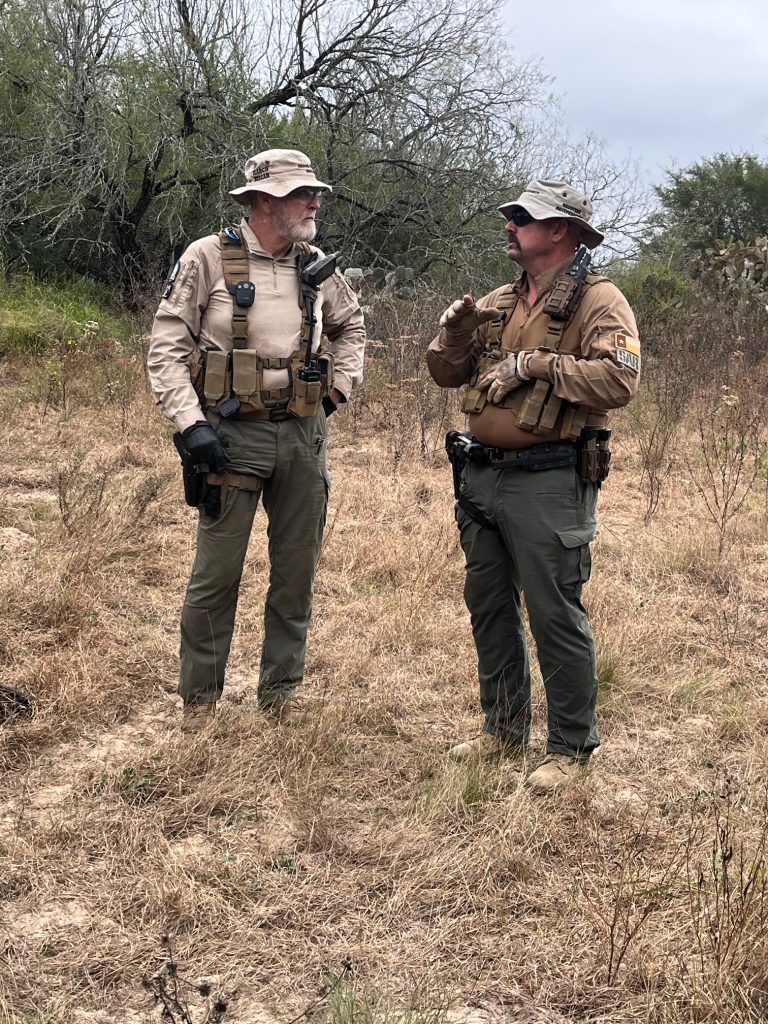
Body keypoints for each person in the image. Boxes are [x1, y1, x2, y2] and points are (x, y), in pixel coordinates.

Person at [426, 179, 640, 793]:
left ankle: (570, 750)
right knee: (489, 607)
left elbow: (619, 382)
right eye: (512, 216)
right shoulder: (498, 299)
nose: (510, 226)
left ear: (561, 231)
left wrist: (534, 363)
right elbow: (445, 373)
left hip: (549, 479)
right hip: (481, 476)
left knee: (554, 613)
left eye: (524, 218)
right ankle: (503, 728)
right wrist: (456, 333)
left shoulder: (600, 302)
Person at [147, 149, 366, 731]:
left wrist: (338, 389)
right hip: (229, 438)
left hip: (302, 436)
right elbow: (167, 347)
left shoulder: (316, 264)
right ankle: (200, 704)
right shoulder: (208, 258)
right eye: (302, 193)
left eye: (315, 192)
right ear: (264, 202)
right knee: (216, 574)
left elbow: (351, 326)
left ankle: (282, 693)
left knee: (296, 570)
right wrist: (190, 425)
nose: (315, 202)